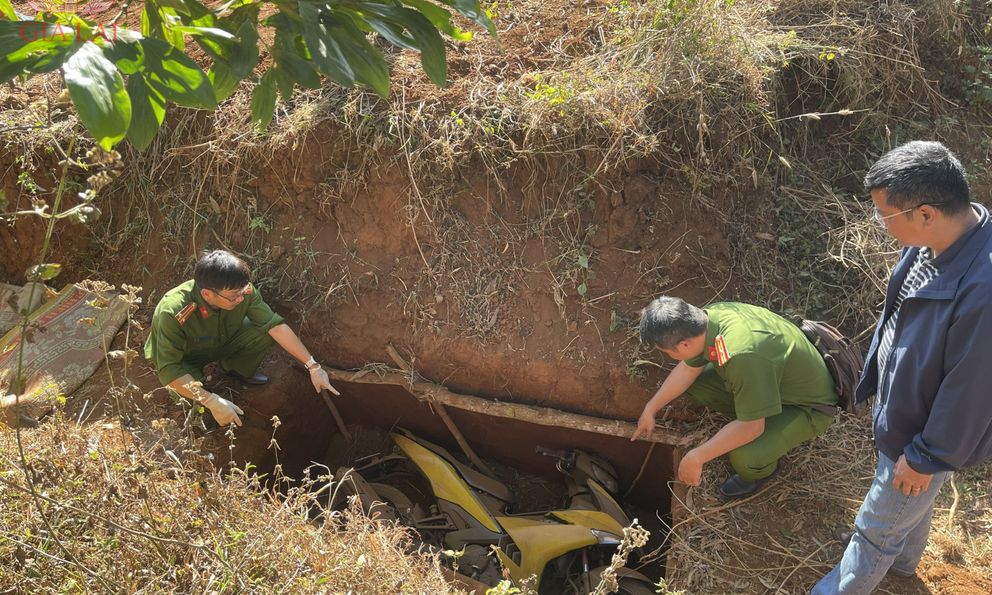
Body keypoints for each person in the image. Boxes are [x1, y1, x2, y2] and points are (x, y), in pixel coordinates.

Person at [812, 141, 992, 594]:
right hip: (908, 415)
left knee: (874, 529)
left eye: (885, 216)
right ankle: (905, 564)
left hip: (924, 433)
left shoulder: (984, 287)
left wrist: (927, 455)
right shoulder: (937, 239)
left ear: (926, 212)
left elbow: (974, 389)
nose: (880, 224)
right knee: (912, 499)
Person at [630, 297, 837, 499]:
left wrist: (696, 457)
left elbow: (753, 427)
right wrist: (651, 408)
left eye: (666, 352)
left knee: (745, 456)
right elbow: (687, 371)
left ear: (684, 345)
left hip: (807, 406)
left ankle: (759, 471)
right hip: (769, 378)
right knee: (698, 384)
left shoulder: (742, 355)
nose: (668, 356)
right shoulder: (707, 320)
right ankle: (751, 409)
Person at [144, 250, 338, 427]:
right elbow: (169, 369)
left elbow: (274, 325)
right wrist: (211, 400)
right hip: (185, 359)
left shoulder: (242, 291)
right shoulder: (173, 311)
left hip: (221, 342)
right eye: (233, 296)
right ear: (207, 294)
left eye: (241, 292)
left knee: (263, 330)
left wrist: (313, 366)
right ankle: (207, 404)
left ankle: (234, 369)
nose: (240, 299)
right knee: (192, 399)